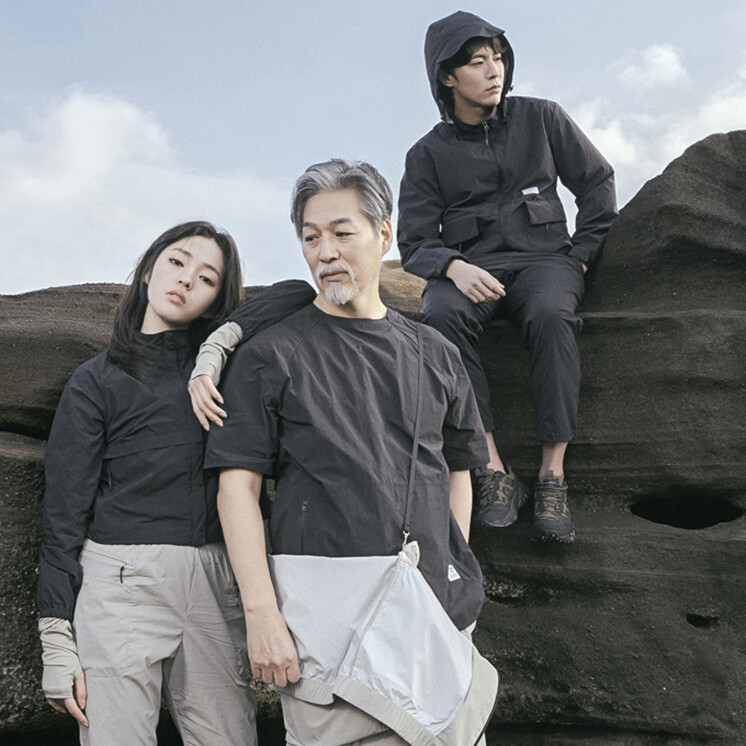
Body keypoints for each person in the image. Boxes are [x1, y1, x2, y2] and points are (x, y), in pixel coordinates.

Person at [204, 160, 492, 745]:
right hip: (324, 624)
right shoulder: (271, 354)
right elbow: (237, 489)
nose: (325, 252)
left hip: (432, 626)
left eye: (341, 232)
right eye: (311, 238)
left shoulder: (436, 352)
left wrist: (442, 572)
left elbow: (458, 470)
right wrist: (261, 615)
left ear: (384, 235)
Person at [36, 221, 313, 745]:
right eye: (177, 262)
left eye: (207, 279)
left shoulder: (227, 369)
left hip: (216, 581)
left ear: (214, 302)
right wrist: (55, 635)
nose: (186, 279)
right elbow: (63, 516)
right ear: (148, 270)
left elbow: (297, 292)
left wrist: (216, 348)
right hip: (121, 582)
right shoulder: (96, 380)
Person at [397, 10, 619, 543]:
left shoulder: (543, 117)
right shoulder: (426, 155)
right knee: (440, 316)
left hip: (547, 262)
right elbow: (414, 241)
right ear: (447, 77)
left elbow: (597, 182)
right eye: (477, 62)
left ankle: (551, 477)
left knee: (551, 315)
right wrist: (453, 267)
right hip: (474, 269)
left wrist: (581, 256)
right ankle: (494, 471)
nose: (493, 70)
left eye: (497, 57)